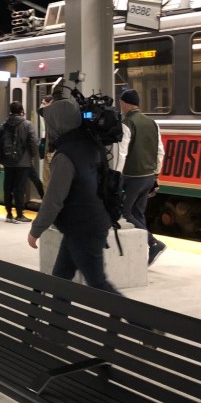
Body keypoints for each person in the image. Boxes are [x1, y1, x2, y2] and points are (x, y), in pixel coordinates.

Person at [26, 98, 119, 294]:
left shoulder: (66, 156)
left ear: (58, 124)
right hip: (83, 225)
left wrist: (36, 230)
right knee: (60, 281)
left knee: (98, 285)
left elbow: (54, 199)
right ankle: (57, 324)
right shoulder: (90, 145)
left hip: (83, 228)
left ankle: (140, 323)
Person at [119, 88, 167, 265]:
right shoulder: (153, 123)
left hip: (133, 176)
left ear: (124, 103)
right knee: (138, 213)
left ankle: (154, 243)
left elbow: (122, 153)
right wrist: (156, 174)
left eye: (121, 103)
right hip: (148, 177)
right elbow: (160, 152)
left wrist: (117, 175)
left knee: (126, 212)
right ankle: (143, 252)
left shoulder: (127, 123)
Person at [0, 101, 37, 224]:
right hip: (23, 163)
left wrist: (2, 159)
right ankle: (19, 214)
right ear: (21, 111)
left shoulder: (4, 125)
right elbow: (33, 142)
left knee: (8, 188)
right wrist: (32, 156)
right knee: (19, 188)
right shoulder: (27, 124)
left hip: (8, 163)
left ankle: (9, 214)